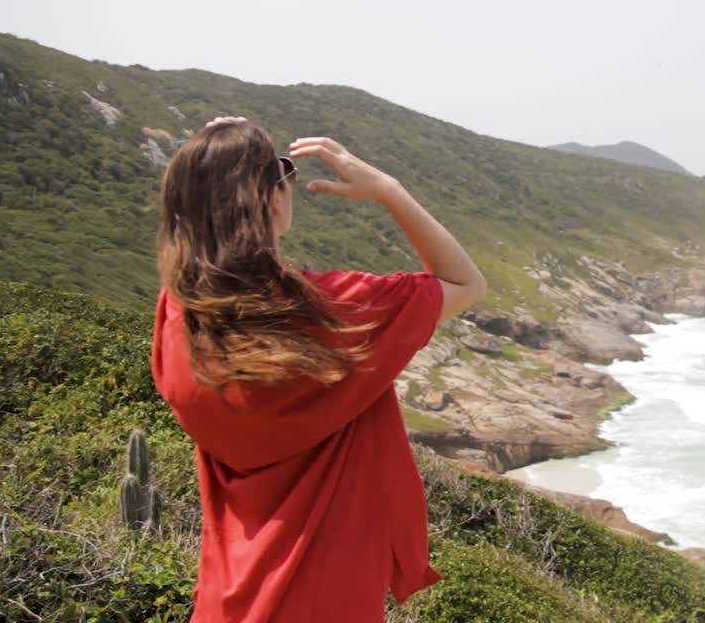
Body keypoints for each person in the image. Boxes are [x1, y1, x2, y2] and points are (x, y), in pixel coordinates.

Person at [150, 116, 486, 622]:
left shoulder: (177, 321)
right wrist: (388, 190)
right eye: (283, 173)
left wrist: (210, 158)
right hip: (329, 595)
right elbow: (465, 281)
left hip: (226, 599)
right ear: (275, 199)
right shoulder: (331, 312)